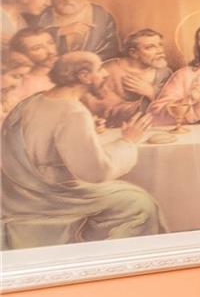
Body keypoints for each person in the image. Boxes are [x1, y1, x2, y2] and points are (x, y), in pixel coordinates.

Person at [1, 50, 164, 246]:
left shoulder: (33, 101)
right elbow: (96, 172)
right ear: (84, 76)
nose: (105, 74)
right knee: (139, 203)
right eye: (100, 69)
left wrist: (88, 132)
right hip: (48, 195)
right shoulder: (73, 112)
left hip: (17, 191)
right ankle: (104, 255)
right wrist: (128, 141)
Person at [87, 29, 172, 129]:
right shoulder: (107, 70)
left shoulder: (164, 73)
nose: (160, 51)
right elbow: (100, 107)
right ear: (133, 53)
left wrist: (151, 92)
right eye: (150, 47)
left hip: (155, 127)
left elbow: (170, 106)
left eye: (160, 45)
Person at [34, 0, 120, 58]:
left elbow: (109, 51)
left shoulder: (101, 16)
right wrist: (59, 32)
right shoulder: (41, 14)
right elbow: (30, 43)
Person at [2, 28, 58, 118]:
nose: (51, 51)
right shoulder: (16, 83)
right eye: (37, 48)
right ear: (22, 54)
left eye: (51, 43)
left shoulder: (64, 74)